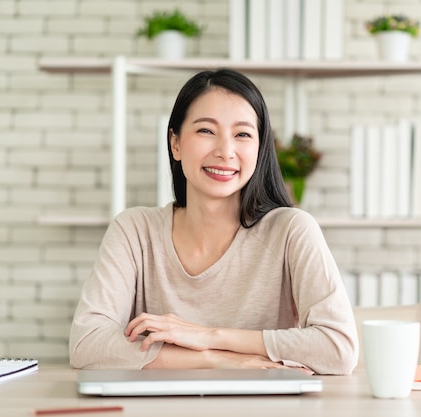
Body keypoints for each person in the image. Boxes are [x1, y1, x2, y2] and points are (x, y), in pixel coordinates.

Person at [69, 68, 358, 375]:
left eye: (243, 134)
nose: (225, 151)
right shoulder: (134, 230)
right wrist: (214, 358)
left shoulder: (291, 230)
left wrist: (207, 336)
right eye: (206, 131)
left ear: (259, 149)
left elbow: (338, 349)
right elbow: (86, 343)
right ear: (175, 143)